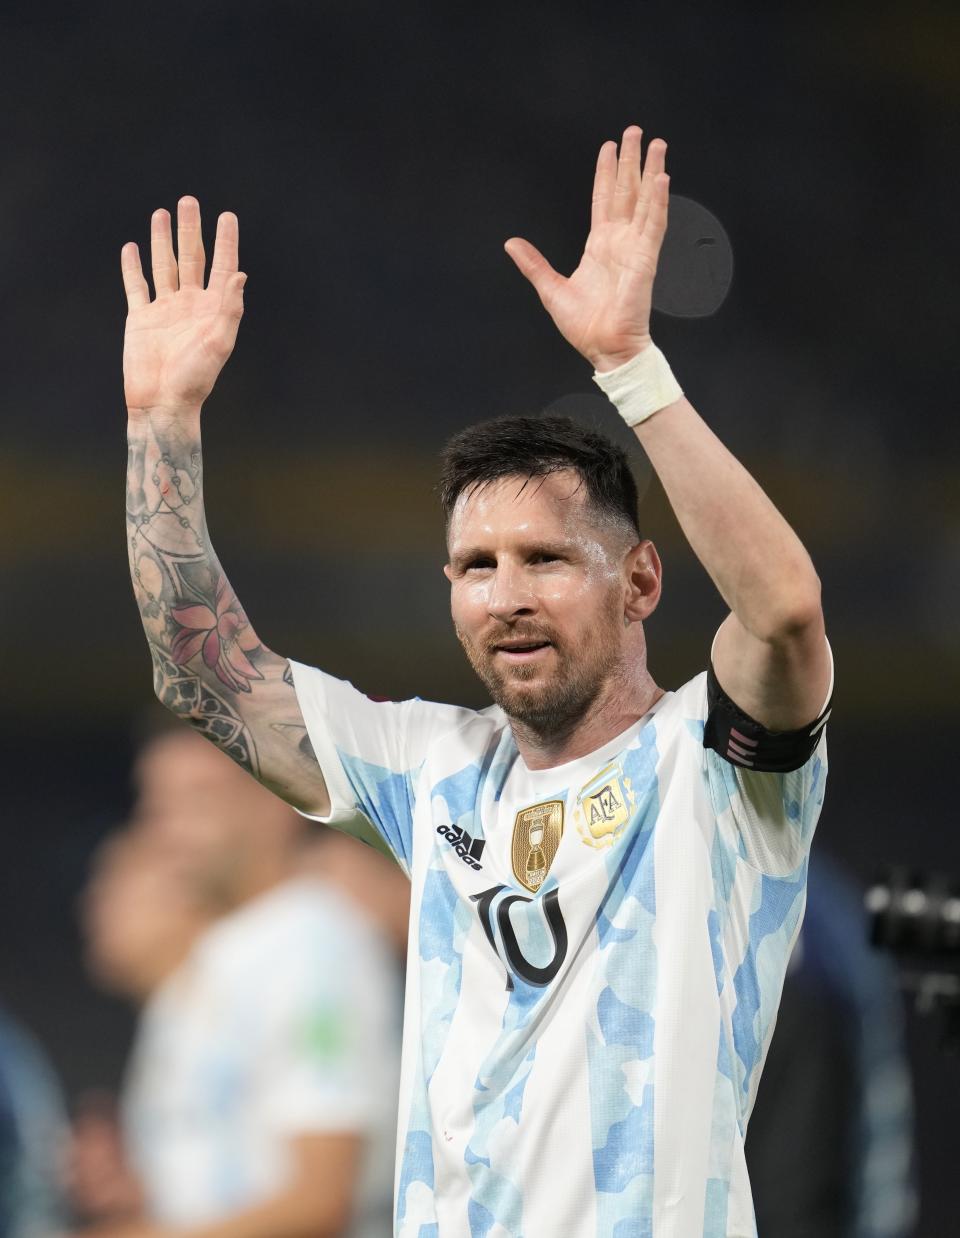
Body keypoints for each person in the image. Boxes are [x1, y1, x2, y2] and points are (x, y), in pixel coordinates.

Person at [120, 127, 833, 1235]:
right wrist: (161, 423)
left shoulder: (719, 762)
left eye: (545, 558)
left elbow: (782, 609)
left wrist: (631, 369)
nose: (505, 594)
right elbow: (201, 667)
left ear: (640, 580)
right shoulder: (429, 768)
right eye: (475, 567)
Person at [74, 727, 402, 1238]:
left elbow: (321, 1201)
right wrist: (135, 1192)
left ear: (277, 800)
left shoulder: (315, 944)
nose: (171, 831)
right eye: (157, 806)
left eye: (199, 800)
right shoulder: (211, 958)